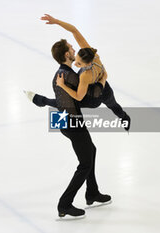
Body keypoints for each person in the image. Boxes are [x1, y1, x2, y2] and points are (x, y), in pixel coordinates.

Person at [25, 14, 131, 131]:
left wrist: (62, 85)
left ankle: (42, 101)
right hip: (106, 89)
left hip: (93, 99)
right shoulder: (93, 55)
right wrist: (56, 21)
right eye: (77, 58)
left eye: (79, 64)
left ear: (87, 64)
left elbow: (79, 97)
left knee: (66, 102)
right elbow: (74, 30)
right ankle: (124, 117)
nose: (76, 64)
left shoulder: (85, 75)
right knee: (113, 105)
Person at [45, 38, 111, 218]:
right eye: (71, 48)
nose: (75, 49)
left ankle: (92, 192)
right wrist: (102, 81)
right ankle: (64, 204)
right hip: (72, 122)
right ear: (67, 54)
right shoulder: (71, 76)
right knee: (85, 164)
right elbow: (92, 99)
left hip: (64, 119)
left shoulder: (61, 73)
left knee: (91, 150)